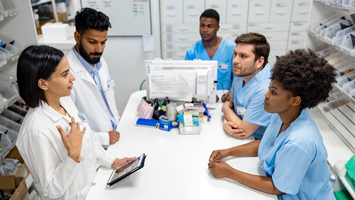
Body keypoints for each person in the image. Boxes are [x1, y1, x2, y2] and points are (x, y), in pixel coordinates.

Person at [208, 49, 337, 200]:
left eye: (274, 92)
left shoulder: (300, 142)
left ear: (295, 100)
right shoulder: (284, 114)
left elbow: (279, 188)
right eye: (269, 88)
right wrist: (228, 152)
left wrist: (229, 172)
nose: (266, 94)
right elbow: (269, 144)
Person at [16, 45, 135, 200]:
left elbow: (87, 140)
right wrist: (72, 156)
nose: (73, 78)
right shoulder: (36, 130)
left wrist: (113, 161)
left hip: (93, 189)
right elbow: (50, 192)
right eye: (65, 74)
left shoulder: (65, 102)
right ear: (43, 84)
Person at [67, 8, 120, 147]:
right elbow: (68, 128)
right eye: (92, 42)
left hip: (115, 138)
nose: (99, 49)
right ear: (77, 37)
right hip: (93, 147)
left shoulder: (101, 62)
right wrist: (103, 138)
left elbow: (108, 100)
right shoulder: (65, 73)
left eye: (103, 42)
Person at [222, 33, 272, 140]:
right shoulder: (242, 73)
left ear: (259, 61)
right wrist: (226, 122)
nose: (235, 60)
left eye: (243, 56)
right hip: (240, 138)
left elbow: (244, 131)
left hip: (260, 143)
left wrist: (224, 108)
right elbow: (232, 104)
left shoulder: (265, 89)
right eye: (235, 54)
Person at [185, 9, 236, 101]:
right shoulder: (192, 51)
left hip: (225, 98)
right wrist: (204, 95)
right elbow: (187, 81)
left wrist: (230, 92)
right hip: (200, 98)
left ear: (217, 28)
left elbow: (238, 76)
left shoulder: (231, 48)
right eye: (202, 25)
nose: (205, 30)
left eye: (210, 26)